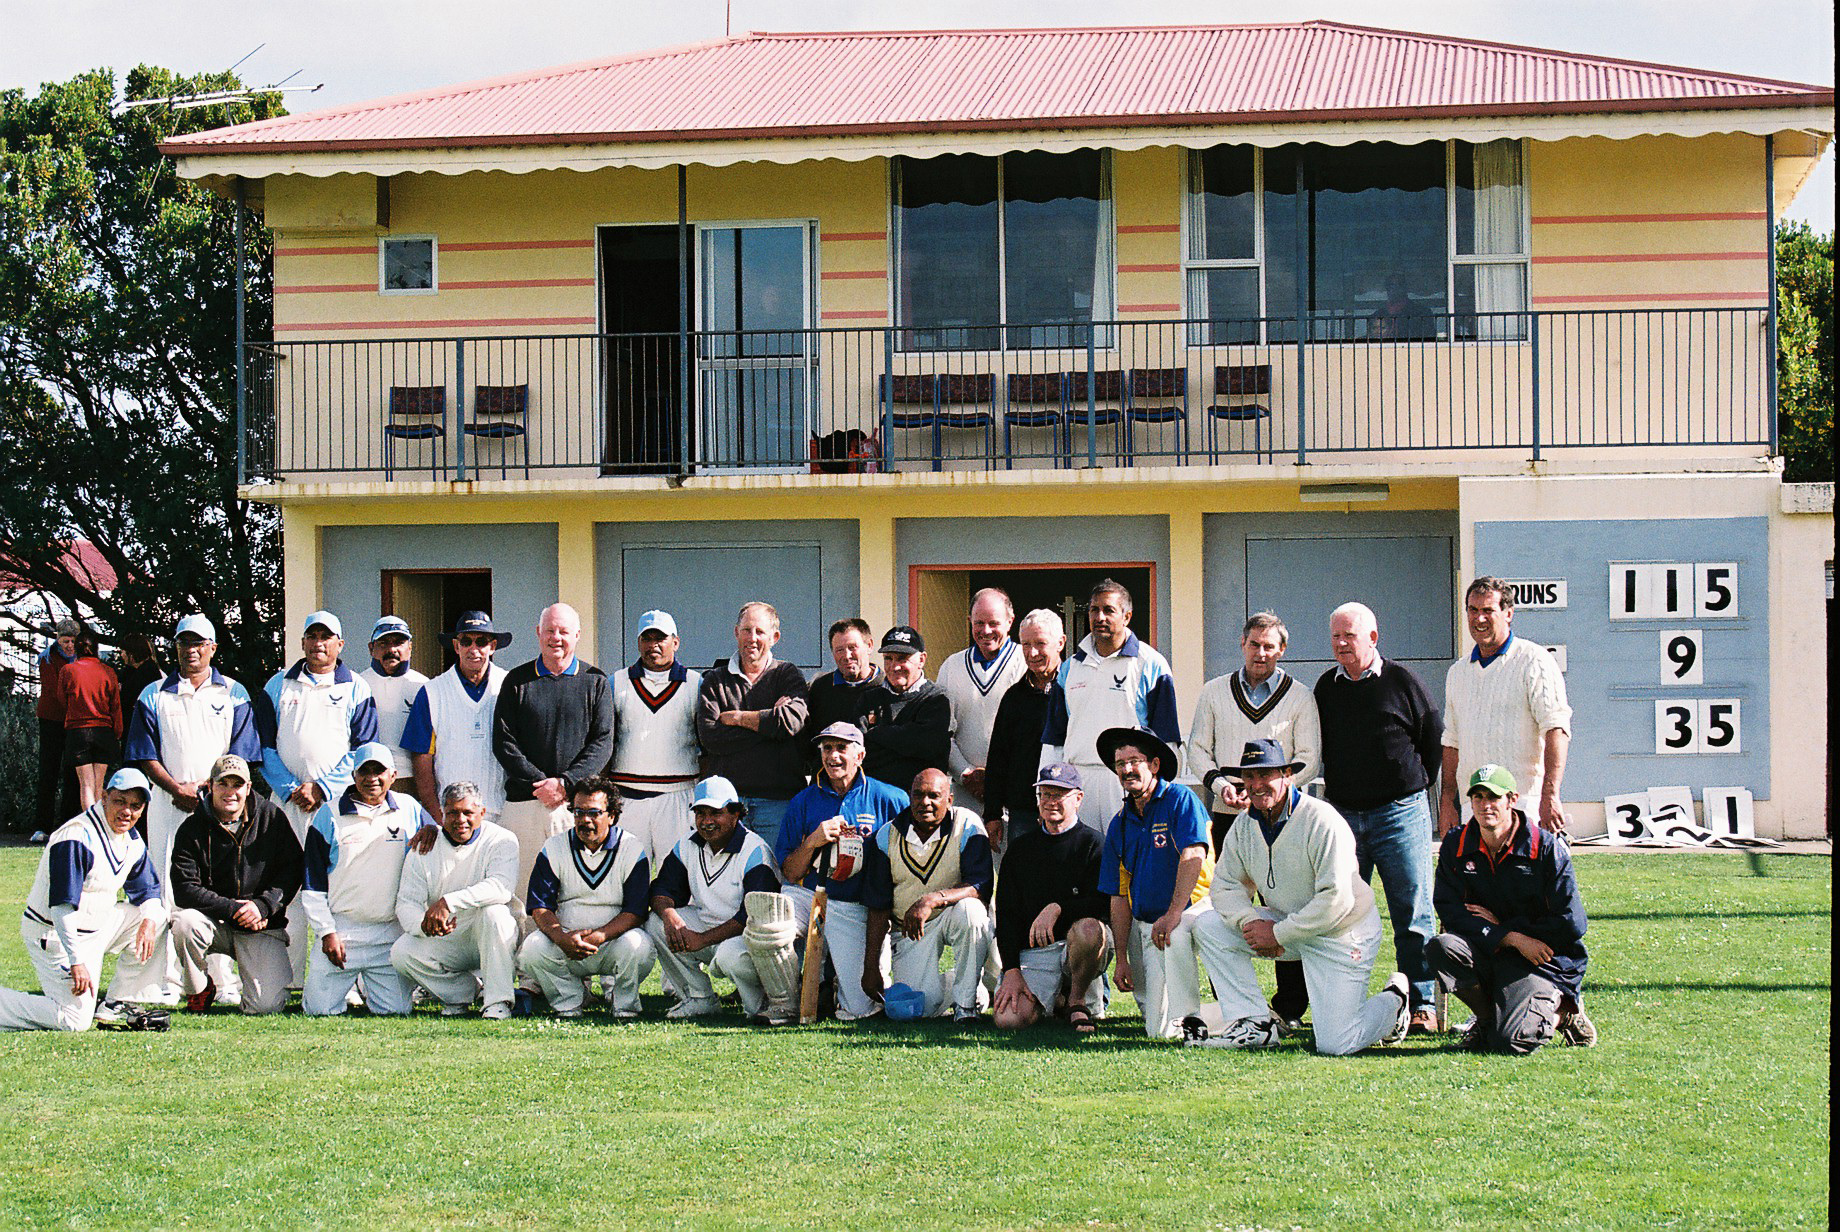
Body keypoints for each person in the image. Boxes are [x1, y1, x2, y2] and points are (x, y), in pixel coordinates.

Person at [1192, 739, 1412, 1055]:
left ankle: (1394, 1004)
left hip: (1342, 933)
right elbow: (1224, 887)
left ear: (1287, 775)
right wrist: (1252, 921)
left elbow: (1336, 900)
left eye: (1265, 775)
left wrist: (1278, 933)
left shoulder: (1322, 820)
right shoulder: (1243, 825)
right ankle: (1254, 1024)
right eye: (1249, 777)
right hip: (1288, 929)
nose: (1256, 785)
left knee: (1336, 1044)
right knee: (1209, 926)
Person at [1314, 601, 1444, 1033]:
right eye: (1335, 636)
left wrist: (1414, 786)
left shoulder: (1402, 682)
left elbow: (1432, 738)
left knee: (1413, 912)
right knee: (1341, 910)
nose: (1340, 644)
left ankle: (1423, 1002)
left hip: (1399, 814)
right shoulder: (1325, 688)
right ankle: (1341, 1001)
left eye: (1349, 635)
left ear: (1372, 637)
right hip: (1344, 816)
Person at [1185, 610, 1321, 1024]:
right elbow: (1196, 749)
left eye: (1269, 646)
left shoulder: (1299, 695)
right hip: (1228, 813)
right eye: (1254, 644)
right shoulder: (1213, 691)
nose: (1261, 653)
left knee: (1286, 904)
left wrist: (1268, 791)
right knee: (1223, 904)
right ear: (1242, 644)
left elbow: (1308, 758)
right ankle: (1233, 1002)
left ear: (1282, 650)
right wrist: (1221, 783)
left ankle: (1290, 1006)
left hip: (1283, 820)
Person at [124, 612, 262, 1005]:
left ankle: (224, 982)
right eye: (185, 642)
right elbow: (142, 753)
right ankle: (169, 981)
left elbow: (243, 752)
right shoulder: (153, 693)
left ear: (213, 649)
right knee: (168, 888)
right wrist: (174, 787)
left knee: (219, 888)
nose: (191, 650)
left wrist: (209, 788)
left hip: (220, 804)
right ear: (176, 647)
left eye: (199, 643)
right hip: (168, 804)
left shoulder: (234, 693)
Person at [1428, 765, 1594, 1053]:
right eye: (1477, 797)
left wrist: (1514, 934)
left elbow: (1571, 923)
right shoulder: (1456, 844)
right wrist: (1507, 936)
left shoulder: (1545, 848)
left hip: (1541, 959)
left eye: (1493, 797)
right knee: (1441, 947)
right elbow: (1449, 910)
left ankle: (1564, 1012)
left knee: (1512, 1042)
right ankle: (1486, 1019)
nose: (1485, 805)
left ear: (1512, 799)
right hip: (1493, 947)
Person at [254, 609, 379, 984]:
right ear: (303, 641)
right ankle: (286, 977)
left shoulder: (356, 687)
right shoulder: (278, 685)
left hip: (338, 805)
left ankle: (349, 976)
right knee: (283, 885)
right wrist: (291, 788)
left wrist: (323, 787)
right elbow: (262, 745)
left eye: (327, 637)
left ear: (340, 645)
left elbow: (364, 747)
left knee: (341, 885)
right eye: (313, 636)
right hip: (287, 802)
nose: (319, 644)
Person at [0, 769, 168, 1033]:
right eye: (120, 801)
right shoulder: (76, 837)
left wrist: (148, 920)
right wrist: (76, 960)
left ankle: (118, 1001)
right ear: (103, 797)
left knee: (156, 917)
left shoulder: (131, 838)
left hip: (96, 927)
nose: (127, 811)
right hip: (54, 934)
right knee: (74, 1021)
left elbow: (149, 891)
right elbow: (62, 907)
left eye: (136, 805)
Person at [492, 602, 615, 933]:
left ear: (577, 635)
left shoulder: (595, 681)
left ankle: (585, 969)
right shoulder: (516, 681)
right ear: (538, 633)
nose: (556, 638)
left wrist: (565, 784)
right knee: (525, 893)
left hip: (575, 806)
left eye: (563, 631)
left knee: (578, 890)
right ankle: (533, 975)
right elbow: (504, 742)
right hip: (524, 804)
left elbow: (602, 743)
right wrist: (541, 783)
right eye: (550, 630)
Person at [774, 721, 909, 1021]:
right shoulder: (804, 801)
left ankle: (833, 985)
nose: (833, 756)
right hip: (808, 895)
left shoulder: (890, 798)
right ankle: (783, 1000)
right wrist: (812, 842)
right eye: (827, 749)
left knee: (861, 1008)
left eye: (841, 748)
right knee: (769, 922)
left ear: (860, 755)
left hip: (857, 907)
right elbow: (789, 871)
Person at [300, 742, 432, 1017]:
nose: (372, 778)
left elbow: (438, 843)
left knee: (396, 1011)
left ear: (393, 776)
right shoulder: (329, 814)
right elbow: (312, 884)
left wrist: (432, 829)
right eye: (365, 771)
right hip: (342, 932)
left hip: (389, 934)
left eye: (379, 771)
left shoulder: (410, 809)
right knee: (318, 1010)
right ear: (354, 776)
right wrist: (326, 933)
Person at [1096, 726, 1211, 1039]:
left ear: (1155, 765)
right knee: (1158, 1033)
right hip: (1149, 925)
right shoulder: (1119, 824)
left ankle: (1200, 1022)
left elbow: (1193, 855)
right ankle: (1214, 1019)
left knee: (1175, 934)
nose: (1127, 769)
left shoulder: (1180, 799)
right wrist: (1121, 959)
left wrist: (1173, 913)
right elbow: (1119, 897)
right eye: (1120, 764)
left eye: (1134, 760)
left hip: (1194, 912)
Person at [168, 754, 304, 1016]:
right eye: (223, 784)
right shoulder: (191, 828)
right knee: (185, 924)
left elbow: (292, 869)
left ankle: (256, 985)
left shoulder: (271, 818)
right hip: (215, 922)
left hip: (259, 925)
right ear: (210, 786)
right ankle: (199, 989)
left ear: (248, 788)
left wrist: (263, 906)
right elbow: (185, 889)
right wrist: (234, 910)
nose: (230, 792)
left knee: (266, 1007)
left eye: (237, 785)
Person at [1043, 580, 1182, 833]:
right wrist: (1048, 791)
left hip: (1126, 781)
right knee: (1082, 866)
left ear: (1127, 616)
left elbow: (1167, 740)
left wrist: (1160, 793)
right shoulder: (1070, 667)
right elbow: (1054, 738)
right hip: (1077, 782)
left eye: (1109, 610)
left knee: (1128, 862)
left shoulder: (1151, 664)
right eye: (1094, 610)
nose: (1100, 617)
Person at [1439, 577, 1573, 839]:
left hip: (1524, 805)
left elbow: (1556, 727)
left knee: (1527, 879)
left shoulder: (1534, 660)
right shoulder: (1457, 673)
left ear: (1508, 613)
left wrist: (1550, 795)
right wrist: (1447, 802)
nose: (1479, 619)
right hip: (1473, 806)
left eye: (1488, 610)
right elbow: (1452, 742)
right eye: (1473, 610)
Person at [646, 775, 784, 1021]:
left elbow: (752, 916)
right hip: (708, 930)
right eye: (700, 813)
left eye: (716, 813)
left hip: (750, 938)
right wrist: (669, 916)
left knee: (730, 955)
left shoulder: (755, 851)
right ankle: (699, 998)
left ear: (736, 814)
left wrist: (702, 939)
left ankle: (758, 1006)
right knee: (656, 924)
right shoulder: (687, 844)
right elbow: (661, 889)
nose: (707, 821)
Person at [862, 768, 995, 1022]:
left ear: (950, 799)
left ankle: (966, 1006)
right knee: (921, 1009)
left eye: (934, 795)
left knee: (973, 911)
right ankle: (969, 986)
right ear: (909, 797)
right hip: (910, 928)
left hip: (952, 914)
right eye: (918, 795)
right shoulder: (886, 836)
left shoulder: (967, 823)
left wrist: (932, 899)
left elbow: (980, 885)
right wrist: (871, 968)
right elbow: (878, 907)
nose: (925, 803)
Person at [990, 763, 1113, 1033]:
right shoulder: (1021, 850)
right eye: (1044, 795)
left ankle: (1077, 1001)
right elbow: (1007, 914)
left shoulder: (1096, 845)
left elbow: (1104, 904)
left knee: (1090, 928)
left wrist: (1059, 908)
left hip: (1080, 946)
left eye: (1059, 795)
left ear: (1078, 799)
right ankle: (1057, 999)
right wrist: (1011, 970)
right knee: (1009, 1020)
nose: (1050, 802)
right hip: (1035, 952)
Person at [519, 777, 654, 1018]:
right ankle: (569, 1002)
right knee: (532, 948)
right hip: (568, 941)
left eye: (594, 813)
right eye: (578, 812)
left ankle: (624, 1005)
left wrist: (600, 936)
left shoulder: (632, 847)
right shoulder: (554, 847)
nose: (585, 820)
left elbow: (636, 911)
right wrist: (561, 937)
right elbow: (540, 906)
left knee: (639, 945)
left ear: (611, 815)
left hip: (614, 942)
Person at [390, 781, 520, 1019]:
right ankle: (462, 994)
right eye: (452, 813)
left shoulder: (502, 839)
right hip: (448, 936)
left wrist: (447, 902)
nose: (460, 819)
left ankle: (497, 1002)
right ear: (442, 814)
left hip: (488, 933)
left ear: (482, 812)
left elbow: (501, 888)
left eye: (468, 812)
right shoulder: (425, 845)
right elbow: (406, 902)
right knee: (401, 952)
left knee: (495, 913)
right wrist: (424, 925)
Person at [696, 601, 810, 853]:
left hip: (778, 802)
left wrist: (738, 718)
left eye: (760, 631)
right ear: (736, 632)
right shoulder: (715, 680)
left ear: (775, 637)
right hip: (728, 804)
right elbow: (711, 738)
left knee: (777, 880)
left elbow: (791, 722)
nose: (753, 638)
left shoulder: (787, 675)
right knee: (728, 880)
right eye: (747, 630)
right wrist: (771, 724)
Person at [607, 610, 703, 868]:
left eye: (660, 638)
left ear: (676, 641)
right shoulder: (616, 682)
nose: (654, 645)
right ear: (638, 642)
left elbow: (706, 742)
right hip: (626, 795)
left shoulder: (695, 684)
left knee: (676, 874)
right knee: (625, 872)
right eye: (647, 638)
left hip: (678, 795)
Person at [401, 610, 512, 822]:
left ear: (493, 646)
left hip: (501, 812)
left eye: (481, 641)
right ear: (456, 646)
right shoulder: (432, 692)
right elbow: (422, 760)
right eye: (466, 641)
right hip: (452, 816)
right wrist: (436, 814)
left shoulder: (509, 686)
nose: (474, 649)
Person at [938, 589, 1027, 815]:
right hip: (963, 794)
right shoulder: (952, 666)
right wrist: (966, 773)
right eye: (979, 623)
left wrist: (998, 779)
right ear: (969, 621)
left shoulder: (1026, 662)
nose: (986, 631)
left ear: (1010, 621)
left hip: (1015, 792)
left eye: (994, 623)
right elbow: (940, 731)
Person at [982, 608, 1066, 846]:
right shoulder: (1013, 697)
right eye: (1026, 644)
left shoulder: (1076, 689)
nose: (1032, 653)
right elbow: (998, 756)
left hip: (1070, 808)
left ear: (1060, 643)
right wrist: (992, 814)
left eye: (1040, 643)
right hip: (1024, 813)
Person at [855, 626, 952, 792]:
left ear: (922, 659)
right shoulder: (869, 699)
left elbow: (929, 747)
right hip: (875, 800)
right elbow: (858, 752)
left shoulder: (936, 699)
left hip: (920, 803)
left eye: (902, 658)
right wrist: (906, 743)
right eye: (888, 658)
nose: (894, 666)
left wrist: (876, 733)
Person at [802, 617, 882, 774]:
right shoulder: (819, 688)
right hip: (828, 787)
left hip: (873, 786)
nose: (846, 655)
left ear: (869, 646)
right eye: (839, 650)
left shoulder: (887, 687)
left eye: (853, 647)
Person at [56, 630, 123, 808]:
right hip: (103, 730)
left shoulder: (68, 670)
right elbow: (115, 705)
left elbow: (62, 700)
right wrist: (117, 732)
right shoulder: (108, 672)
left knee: (86, 785)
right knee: (99, 785)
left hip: (78, 731)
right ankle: (100, 827)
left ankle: (89, 828)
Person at [358, 615, 429, 779]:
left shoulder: (423, 687)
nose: (392, 650)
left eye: (399, 642)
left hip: (412, 779)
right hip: (370, 780)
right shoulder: (358, 686)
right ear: (371, 648)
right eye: (384, 643)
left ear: (410, 647)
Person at [32, 617, 80, 842]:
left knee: (72, 773)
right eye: (65, 641)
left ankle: (67, 824)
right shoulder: (48, 658)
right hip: (52, 719)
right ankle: (41, 826)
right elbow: (53, 691)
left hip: (71, 722)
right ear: (57, 640)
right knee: (48, 772)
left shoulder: (80, 659)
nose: (69, 645)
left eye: (72, 641)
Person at [116, 633, 164, 713]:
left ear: (131, 654)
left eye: (123, 652)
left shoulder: (147, 674)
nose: (122, 655)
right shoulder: (132, 672)